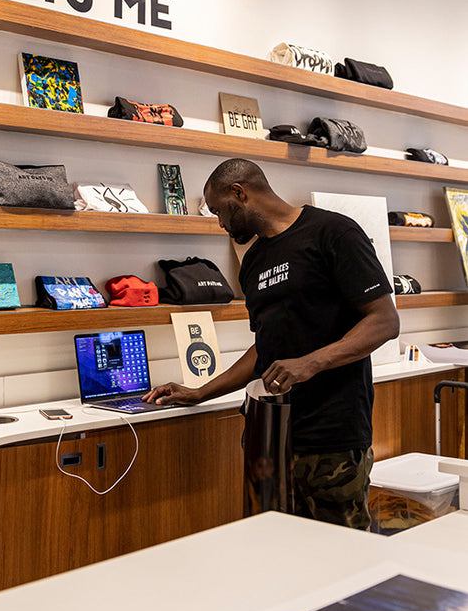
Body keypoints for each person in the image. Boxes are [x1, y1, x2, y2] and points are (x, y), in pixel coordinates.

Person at [144, 158, 400, 529]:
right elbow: (265, 348)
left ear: (239, 193)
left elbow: (384, 321)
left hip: (332, 436)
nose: (219, 222)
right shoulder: (253, 262)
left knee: (343, 559)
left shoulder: (333, 232)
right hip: (269, 437)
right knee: (277, 553)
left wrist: (310, 362)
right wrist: (201, 392)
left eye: (219, 211)